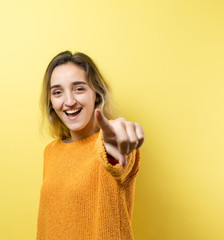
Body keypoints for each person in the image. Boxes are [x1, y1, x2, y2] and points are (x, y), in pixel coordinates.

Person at [36, 51, 145, 240]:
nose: (69, 101)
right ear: (51, 102)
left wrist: (114, 146)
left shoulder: (109, 143)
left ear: (96, 94)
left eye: (79, 89)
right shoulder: (51, 151)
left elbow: (116, 159)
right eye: (57, 92)